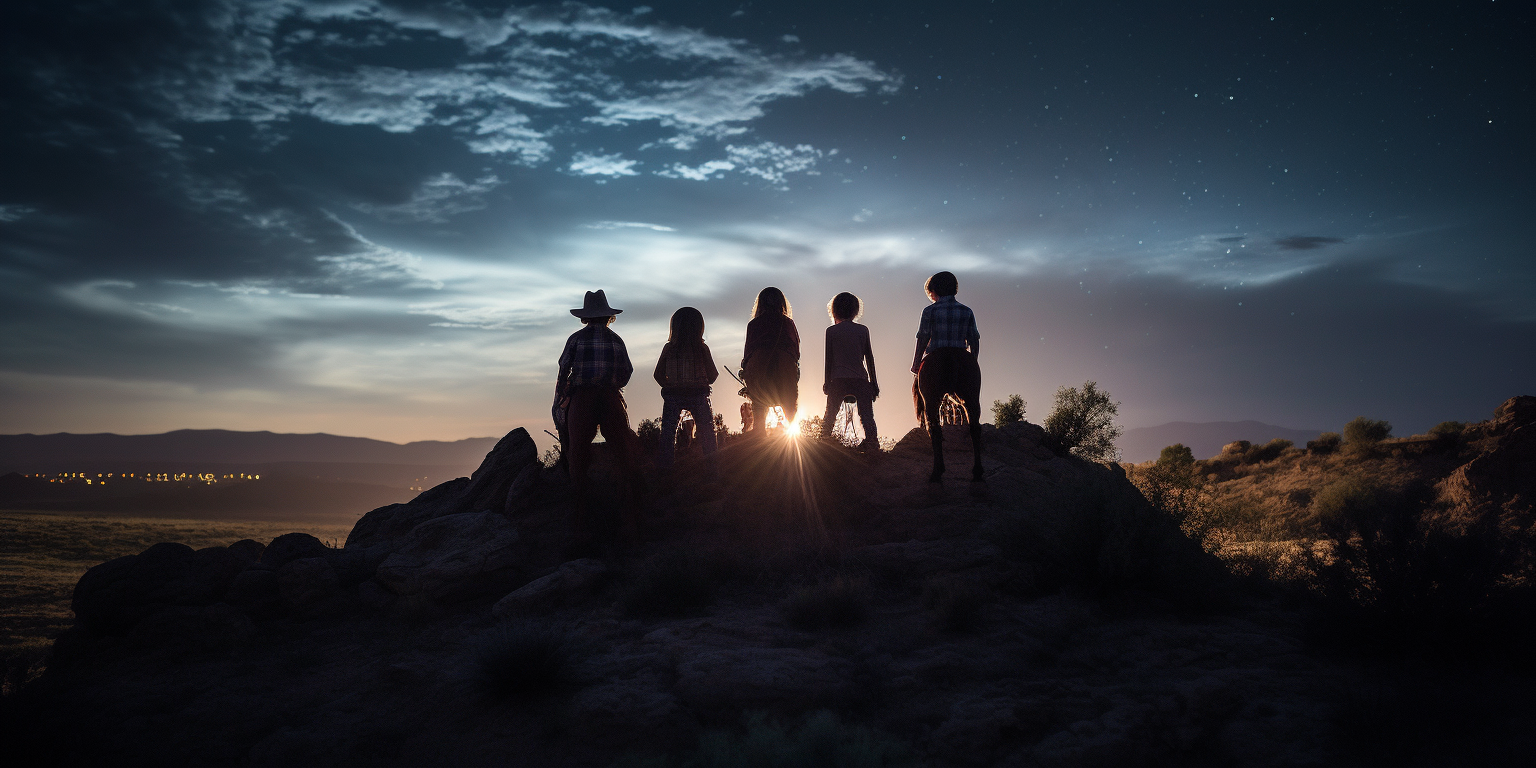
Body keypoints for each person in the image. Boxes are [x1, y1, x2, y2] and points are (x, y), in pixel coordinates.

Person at [555, 290, 641, 524]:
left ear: (586, 317)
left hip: (582, 396)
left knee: (577, 452)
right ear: (607, 316)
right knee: (622, 452)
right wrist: (615, 385)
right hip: (609, 395)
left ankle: (580, 515)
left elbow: (563, 370)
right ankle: (628, 515)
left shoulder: (575, 339)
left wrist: (560, 400)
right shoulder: (616, 340)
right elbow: (627, 371)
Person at [653, 307, 719, 469]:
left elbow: (657, 374)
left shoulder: (669, 348)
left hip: (673, 395)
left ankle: (665, 469)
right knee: (707, 432)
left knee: (668, 434)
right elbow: (713, 375)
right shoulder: (702, 349)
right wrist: (702, 382)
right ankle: (712, 468)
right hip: (698, 394)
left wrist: (669, 386)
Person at [819, 291, 880, 450]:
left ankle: (822, 443)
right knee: (866, 415)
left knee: (830, 415)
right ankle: (873, 443)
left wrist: (827, 382)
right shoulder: (862, 330)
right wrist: (874, 382)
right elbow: (869, 359)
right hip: (860, 378)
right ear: (855, 310)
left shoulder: (831, 331)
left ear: (834, 310)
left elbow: (829, 360)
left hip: (838, 379)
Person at [740, 287, 800, 434]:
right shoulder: (787, 323)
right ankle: (785, 437)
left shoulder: (754, 324)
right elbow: (795, 349)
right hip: (785, 364)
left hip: (758, 365)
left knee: (759, 402)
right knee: (789, 402)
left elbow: (748, 351)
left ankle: (758, 438)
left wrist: (744, 370)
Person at [911, 270, 980, 374]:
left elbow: (923, 338)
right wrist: (973, 363)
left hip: (936, 356)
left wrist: (916, 365)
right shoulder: (967, 311)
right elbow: (974, 340)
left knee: (922, 386)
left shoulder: (929, 311)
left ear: (934, 290)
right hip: (961, 357)